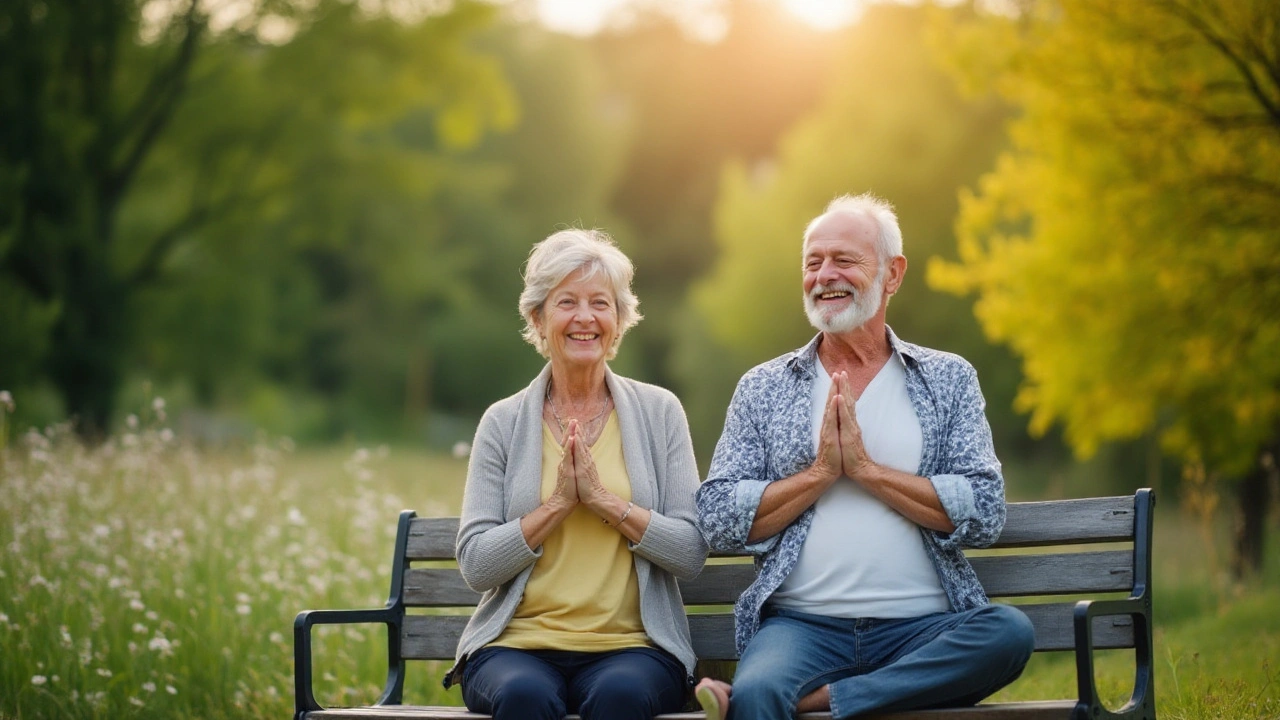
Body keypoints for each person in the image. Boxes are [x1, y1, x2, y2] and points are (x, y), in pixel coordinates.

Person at [693, 193, 1035, 720]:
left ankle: (820, 704)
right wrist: (822, 474)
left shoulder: (947, 378)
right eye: (813, 263)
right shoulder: (763, 387)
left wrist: (869, 471)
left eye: (844, 260)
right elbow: (716, 518)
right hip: (802, 626)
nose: (825, 275)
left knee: (1009, 633)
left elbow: (985, 508)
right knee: (760, 693)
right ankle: (825, 697)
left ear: (892, 274)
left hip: (922, 626)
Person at [447, 228, 708, 720]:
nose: (585, 317)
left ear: (619, 320)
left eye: (600, 303)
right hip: (515, 647)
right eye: (567, 302)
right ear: (538, 319)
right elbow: (476, 564)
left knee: (620, 698)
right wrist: (558, 505)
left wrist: (606, 503)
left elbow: (691, 550)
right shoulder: (502, 422)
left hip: (634, 648)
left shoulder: (660, 412)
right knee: (526, 698)